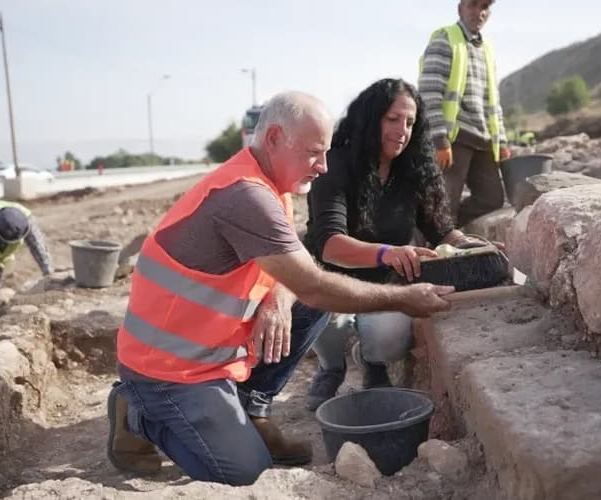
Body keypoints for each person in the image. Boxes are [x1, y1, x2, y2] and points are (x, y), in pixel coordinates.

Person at [107, 91, 455, 486]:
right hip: (168, 370)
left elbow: (298, 271)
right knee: (243, 471)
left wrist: (277, 295)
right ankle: (137, 413)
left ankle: (249, 408)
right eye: (314, 152)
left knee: (306, 305)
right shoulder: (246, 195)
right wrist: (405, 299)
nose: (323, 166)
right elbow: (314, 284)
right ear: (274, 138)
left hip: (210, 354)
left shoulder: (272, 184)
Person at [303, 78, 489, 411]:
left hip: (385, 287)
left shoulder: (412, 170)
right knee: (311, 310)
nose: (402, 130)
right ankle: (331, 366)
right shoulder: (335, 164)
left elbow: (442, 231)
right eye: (392, 119)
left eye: (409, 122)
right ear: (370, 118)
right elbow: (329, 244)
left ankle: (372, 363)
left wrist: (473, 246)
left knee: (388, 335)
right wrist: (388, 253)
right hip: (333, 281)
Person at [418, 0, 510, 226]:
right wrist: (440, 140)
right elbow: (429, 93)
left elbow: (493, 101)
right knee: (443, 204)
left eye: (485, 7)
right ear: (460, 8)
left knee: (492, 198)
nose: (479, 12)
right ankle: (432, 251)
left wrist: (503, 142)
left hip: (483, 140)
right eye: (473, 5)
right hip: (453, 139)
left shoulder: (487, 50)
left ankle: (451, 230)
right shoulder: (445, 40)